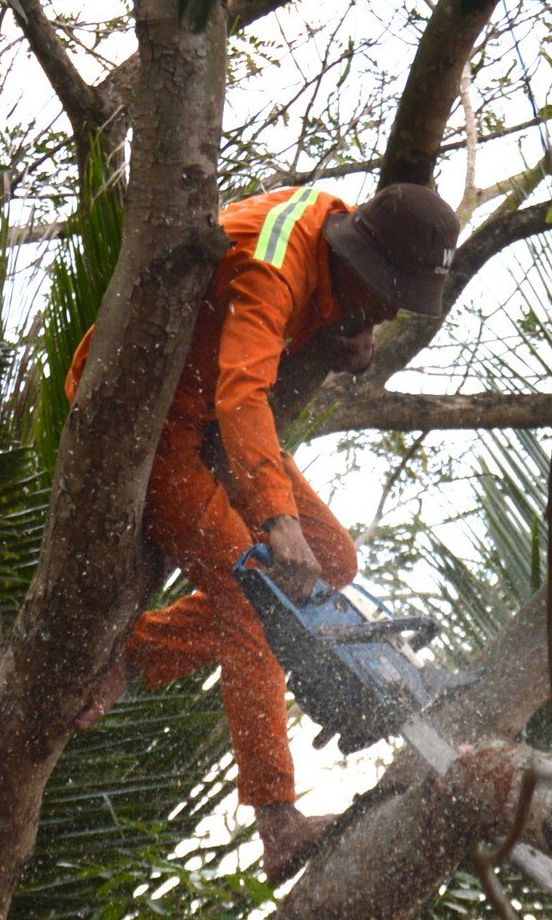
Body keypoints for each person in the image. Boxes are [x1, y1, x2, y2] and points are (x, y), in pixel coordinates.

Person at [68, 183, 461, 883]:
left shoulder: (337, 224)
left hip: (219, 426)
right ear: (366, 262)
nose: (393, 310)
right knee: (254, 601)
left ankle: (138, 651)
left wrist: (346, 329)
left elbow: (263, 359)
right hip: (153, 422)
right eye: (388, 294)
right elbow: (243, 390)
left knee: (333, 561)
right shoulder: (273, 264)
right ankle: (277, 822)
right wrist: (276, 520)